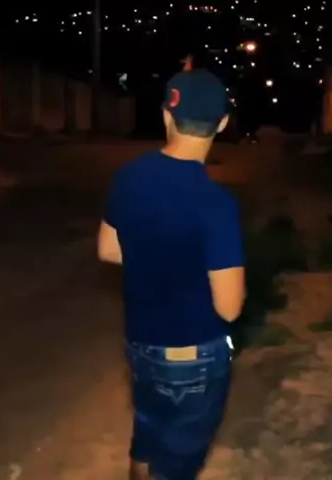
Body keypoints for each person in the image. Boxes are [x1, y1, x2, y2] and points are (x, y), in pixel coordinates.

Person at [97, 69, 246, 479]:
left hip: (140, 343)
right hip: (192, 357)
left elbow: (108, 249)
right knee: (177, 462)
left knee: (147, 434)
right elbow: (230, 307)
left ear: (166, 115)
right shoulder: (216, 203)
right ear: (222, 123)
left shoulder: (128, 176)